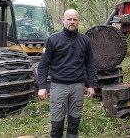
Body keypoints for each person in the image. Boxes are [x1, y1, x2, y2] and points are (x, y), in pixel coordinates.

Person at [37, 9, 96, 138]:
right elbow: (42, 66)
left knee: (74, 123)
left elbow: (90, 64)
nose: (72, 22)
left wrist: (91, 84)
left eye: (75, 19)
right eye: (69, 19)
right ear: (63, 20)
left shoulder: (85, 40)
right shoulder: (53, 40)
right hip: (59, 87)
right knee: (57, 124)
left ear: (78, 21)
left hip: (78, 87)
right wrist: (42, 87)